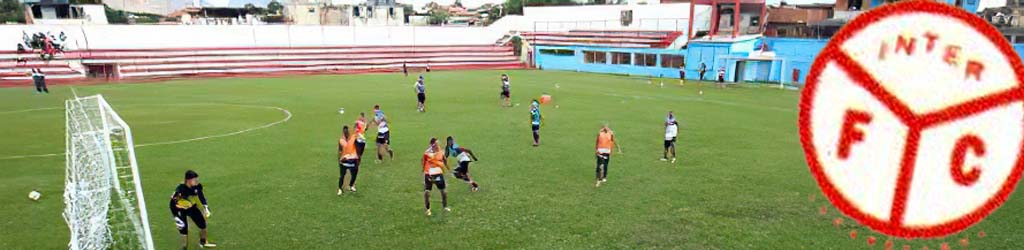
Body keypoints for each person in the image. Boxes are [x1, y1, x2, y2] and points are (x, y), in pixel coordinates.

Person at [170, 170, 216, 249]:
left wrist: (205, 207)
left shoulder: (197, 186)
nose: (197, 181)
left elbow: (201, 196)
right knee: (184, 231)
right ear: (188, 180)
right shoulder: (180, 189)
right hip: (180, 209)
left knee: (202, 224)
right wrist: (176, 217)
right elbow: (173, 203)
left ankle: (203, 242)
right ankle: (184, 248)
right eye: (195, 179)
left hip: (190, 206)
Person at [422, 138, 450, 216]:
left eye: (438, 143)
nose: (438, 145)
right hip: (429, 174)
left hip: (438, 174)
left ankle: (445, 207)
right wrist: (424, 172)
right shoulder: (427, 153)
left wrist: (447, 168)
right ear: (432, 145)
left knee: (443, 192)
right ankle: (427, 209)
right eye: (437, 144)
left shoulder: (441, 151)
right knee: (427, 192)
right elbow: (423, 162)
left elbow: (444, 159)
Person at [338, 126, 359, 194]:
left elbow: (340, 151)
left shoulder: (351, 138)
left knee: (352, 174)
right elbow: (340, 151)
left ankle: (348, 186)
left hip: (350, 159)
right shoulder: (345, 139)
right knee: (344, 175)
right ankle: (342, 188)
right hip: (347, 160)